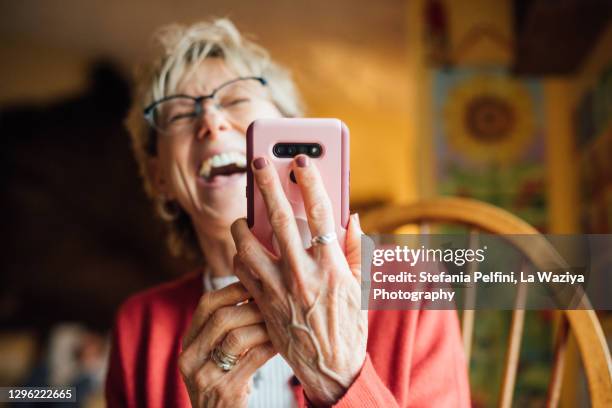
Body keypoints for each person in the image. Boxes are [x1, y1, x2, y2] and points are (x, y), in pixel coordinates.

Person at [106, 18, 470, 407]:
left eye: (235, 99)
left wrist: (336, 377)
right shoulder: (138, 326)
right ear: (159, 177)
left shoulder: (411, 287)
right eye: (178, 114)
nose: (210, 121)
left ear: (295, 136)